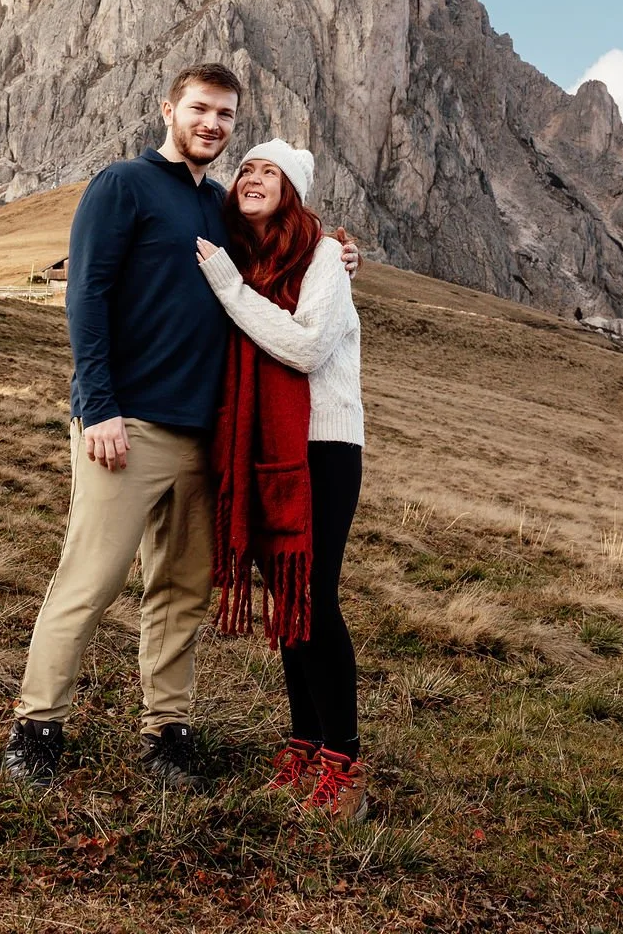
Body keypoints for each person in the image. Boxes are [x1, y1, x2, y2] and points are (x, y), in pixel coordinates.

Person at [4, 67, 359, 789]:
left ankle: (167, 732)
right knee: (91, 578)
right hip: (127, 422)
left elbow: (284, 249)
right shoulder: (122, 186)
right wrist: (96, 405)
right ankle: (36, 727)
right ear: (169, 109)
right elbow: (87, 295)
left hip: (210, 437)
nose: (213, 124)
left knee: (182, 591)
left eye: (226, 115)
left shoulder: (223, 206)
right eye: (200, 109)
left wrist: (341, 251)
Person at [196, 139, 366, 821]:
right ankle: (303, 746)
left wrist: (231, 290)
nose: (254, 177)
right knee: (287, 601)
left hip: (322, 442)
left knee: (313, 598)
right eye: (247, 169)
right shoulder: (237, 257)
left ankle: (345, 763)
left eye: (271, 171)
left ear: (292, 192)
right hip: (263, 443)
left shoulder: (324, 255)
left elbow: (304, 344)